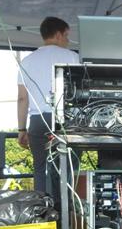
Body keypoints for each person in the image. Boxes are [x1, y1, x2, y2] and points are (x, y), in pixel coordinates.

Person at [17, 16, 78, 193]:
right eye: (66, 35)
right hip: (67, 120)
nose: (68, 40)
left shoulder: (27, 61)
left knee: (40, 168)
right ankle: (66, 207)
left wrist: (21, 129)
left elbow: (22, 99)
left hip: (38, 120)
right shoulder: (73, 57)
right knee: (68, 168)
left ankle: (43, 207)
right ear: (58, 34)